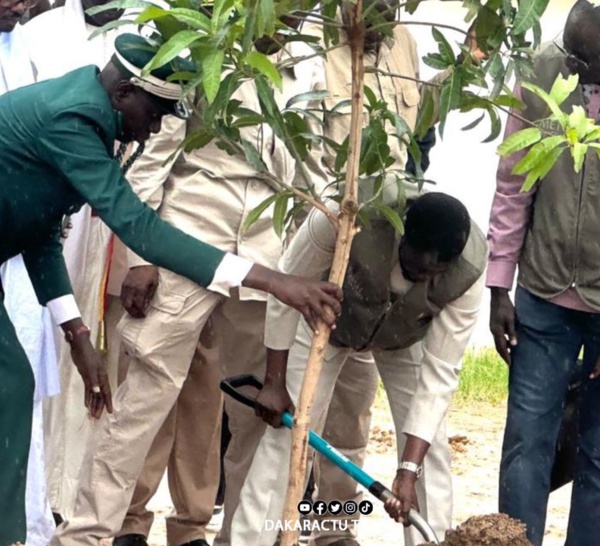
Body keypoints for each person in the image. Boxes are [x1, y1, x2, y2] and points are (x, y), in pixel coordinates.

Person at [0, 32, 341, 546]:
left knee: (12, 387)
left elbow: (42, 230)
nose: (155, 128)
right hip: (202, 244)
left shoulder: (97, 115)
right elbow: (139, 226)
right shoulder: (72, 119)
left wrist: (78, 337)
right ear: (122, 95)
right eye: (154, 114)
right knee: (18, 390)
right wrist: (272, 280)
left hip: (251, 246)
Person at [231, 192, 486, 546]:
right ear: (402, 234)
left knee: (432, 451)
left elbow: (440, 373)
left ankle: (431, 541)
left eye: (434, 271)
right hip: (323, 318)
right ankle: (251, 541)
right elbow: (285, 285)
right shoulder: (349, 212)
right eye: (416, 263)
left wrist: (407, 471)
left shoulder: (469, 270)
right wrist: (274, 382)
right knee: (288, 437)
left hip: (404, 336)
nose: (423, 274)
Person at [487, 1, 600, 544]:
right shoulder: (541, 69)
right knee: (526, 443)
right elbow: (513, 180)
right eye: (569, 51)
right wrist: (497, 284)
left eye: (585, 60)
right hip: (542, 294)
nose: (571, 68)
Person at [22, 0, 128, 523]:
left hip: (99, 223)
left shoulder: (144, 34)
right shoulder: (38, 33)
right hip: (37, 219)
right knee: (33, 359)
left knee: (86, 367)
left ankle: (61, 499)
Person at [1, 1, 58, 543]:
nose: (19, 4)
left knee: (21, 379)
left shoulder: (28, 46)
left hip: (18, 239)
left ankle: (26, 523)